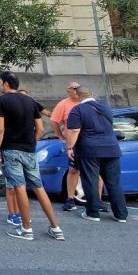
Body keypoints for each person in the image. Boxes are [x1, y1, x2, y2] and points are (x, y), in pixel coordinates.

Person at [0, 72, 64, 241]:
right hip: (29, 149)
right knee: (39, 187)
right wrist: (32, 142)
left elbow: (0, 129)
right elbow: (39, 128)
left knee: (19, 187)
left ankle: (27, 228)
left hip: (11, 149)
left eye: (0, 82)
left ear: (5, 84)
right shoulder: (30, 101)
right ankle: (55, 227)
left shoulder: (1, 101)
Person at [65, 86, 128, 223]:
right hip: (111, 148)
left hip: (90, 149)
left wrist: (69, 147)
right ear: (91, 93)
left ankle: (93, 213)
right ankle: (121, 214)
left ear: (77, 95)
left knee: (90, 181)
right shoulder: (105, 108)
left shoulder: (77, 110)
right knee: (114, 182)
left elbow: (74, 130)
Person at [50, 82, 85, 211]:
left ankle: (97, 199)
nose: (77, 90)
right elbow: (54, 120)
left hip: (89, 141)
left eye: (78, 88)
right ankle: (70, 198)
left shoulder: (85, 102)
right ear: (68, 90)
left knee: (96, 172)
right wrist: (61, 137)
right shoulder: (63, 104)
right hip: (73, 143)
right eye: (74, 88)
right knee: (73, 170)